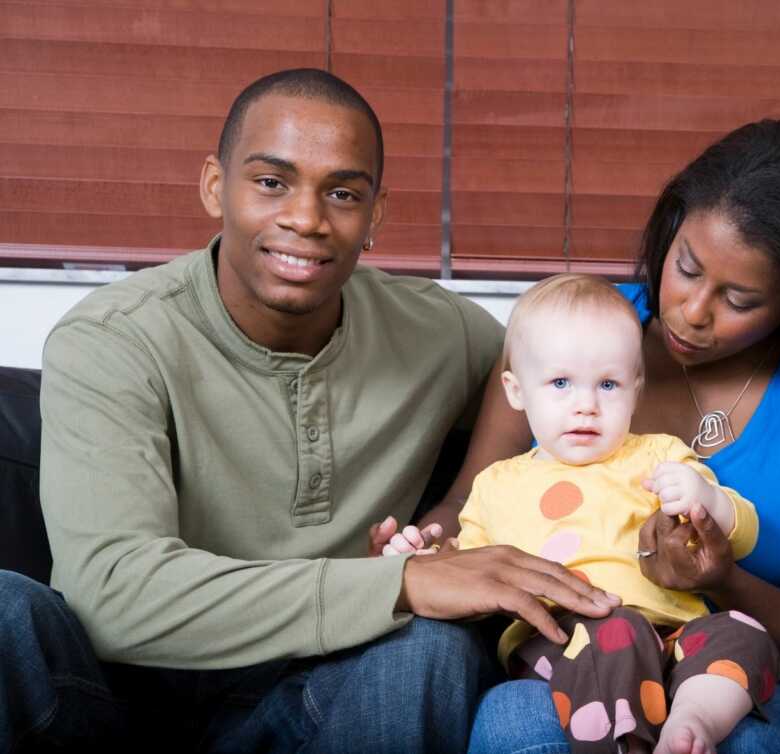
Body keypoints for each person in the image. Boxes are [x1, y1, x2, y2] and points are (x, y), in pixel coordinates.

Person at [0, 68, 621, 754]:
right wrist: (402, 581)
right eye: (271, 182)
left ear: (376, 215)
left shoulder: (433, 331)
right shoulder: (113, 339)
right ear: (215, 186)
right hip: (119, 695)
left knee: (430, 652)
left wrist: (455, 507)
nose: (306, 218)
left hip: (311, 698)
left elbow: (527, 368)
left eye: (343, 193)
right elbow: (113, 595)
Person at [403, 118, 780, 754]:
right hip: (576, 648)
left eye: (739, 298)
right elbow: (469, 506)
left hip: (758, 679)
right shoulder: (573, 333)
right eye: (686, 268)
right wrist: (421, 551)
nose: (691, 312)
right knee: (520, 724)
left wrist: (721, 580)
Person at [459, 273, 780, 754]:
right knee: (616, 630)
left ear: (636, 390)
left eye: (608, 384)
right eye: (561, 383)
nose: (586, 405)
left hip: (674, 638)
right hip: (559, 640)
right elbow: (469, 575)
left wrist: (706, 500)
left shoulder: (658, 457)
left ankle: (692, 723)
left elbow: (744, 533)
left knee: (742, 631)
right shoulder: (497, 484)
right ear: (517, 390)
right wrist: (422, 552)